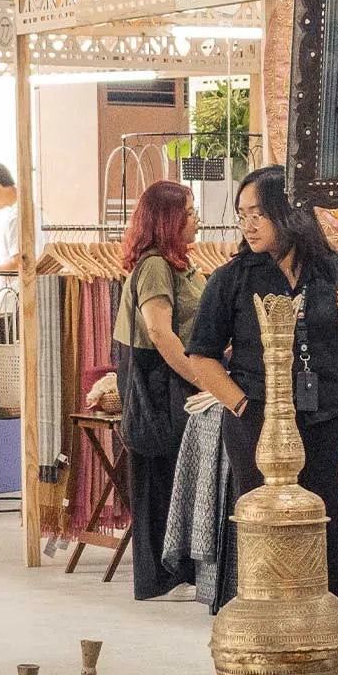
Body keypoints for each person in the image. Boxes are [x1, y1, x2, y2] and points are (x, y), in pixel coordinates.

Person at [180, 166, 338, 610]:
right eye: (242, 216)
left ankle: (331, 616)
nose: (249, 225)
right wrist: (241, 406)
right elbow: (201, 354)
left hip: (328, 419)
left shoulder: (336, 271)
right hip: (256, 422)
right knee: (264, 524)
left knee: (330, 520)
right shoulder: (232, 278)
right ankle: (265, 620)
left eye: (258, 213)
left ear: (288, 211)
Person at [115, 180, 206, 601]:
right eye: (189, 211)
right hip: (158, 380)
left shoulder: (177, 264)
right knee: (159, 473)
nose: (196, 218)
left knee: (170, 474)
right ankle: (162, 576)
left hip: (166, 377)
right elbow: (159, 331)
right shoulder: (154, 266)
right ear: (169, 220)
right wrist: (201, 378)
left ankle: (174, 573)